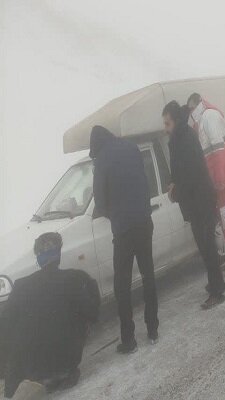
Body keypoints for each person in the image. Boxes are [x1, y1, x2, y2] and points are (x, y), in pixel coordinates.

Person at [0, 232, 100, 398]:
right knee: (80, 309)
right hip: (66, 367)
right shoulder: (74, 278)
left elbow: (5, 325)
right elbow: (93, 313)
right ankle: (63, 369)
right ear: (58, 255)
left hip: (31, 372)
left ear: (38, 258)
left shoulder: (20, 286)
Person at [90, 125, 158, 354]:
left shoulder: (100, 161)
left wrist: (113, 213)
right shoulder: (131, 147)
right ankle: (153, 330)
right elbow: (143, 180)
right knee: (148, 275)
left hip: (124, 230)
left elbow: (99, 202)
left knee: (122, 285)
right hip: (144, 221)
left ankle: (128, 340)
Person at [163, 101, 225, 309]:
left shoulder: (185, 139)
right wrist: (174, 183)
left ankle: (218, 292)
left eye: (167, 123)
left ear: (176, 120)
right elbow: (180, 171)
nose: (166, 128)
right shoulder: (179, 138)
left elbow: (191, 173)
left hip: (200, 200)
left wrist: (176, 191)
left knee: (207, 246)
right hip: (195, 200)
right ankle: (215, 282)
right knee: (204, 246)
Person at [187, 93, 225, 277]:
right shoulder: (205, 118)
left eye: (190, 109)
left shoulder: (208, 118)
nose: (189, 113)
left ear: (196, 105)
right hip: (223, 177)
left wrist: (219, 180)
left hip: (224, 179)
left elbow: (218, 151)